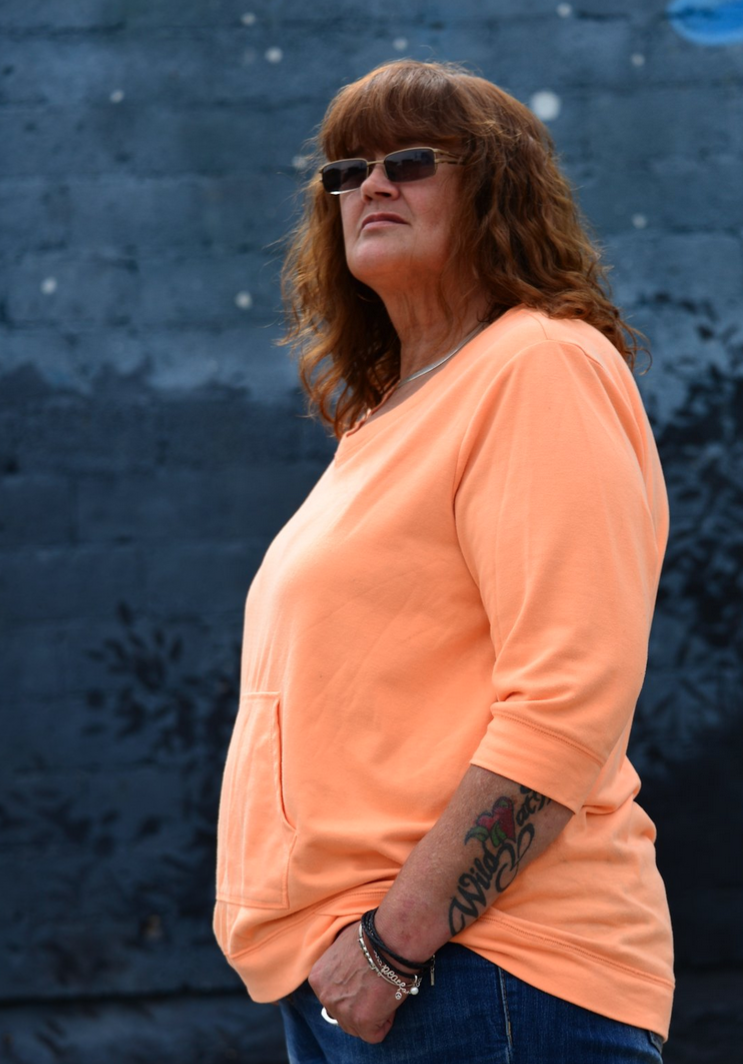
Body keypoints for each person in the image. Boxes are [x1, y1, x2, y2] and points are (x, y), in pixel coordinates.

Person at [214, 59, 673, 1063]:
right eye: (346, 168)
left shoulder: (538, 363)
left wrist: (391, 946)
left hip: (481, 973)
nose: (371, 184)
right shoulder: (388, 416)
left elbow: (569, 697)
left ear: (497, 187)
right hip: (379, 979)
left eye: (410, 160)